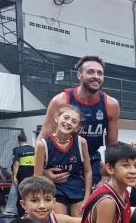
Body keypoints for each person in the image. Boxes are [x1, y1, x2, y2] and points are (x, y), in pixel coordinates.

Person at [39, 55, 120, 188]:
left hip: (92, 163)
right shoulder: (61, 101)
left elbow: (112, 147)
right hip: (62, 165)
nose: (96, 76)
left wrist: (106, 176)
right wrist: (42, 172)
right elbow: (42, 140)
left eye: (100, 73)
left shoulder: (111, 105)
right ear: (79, 75)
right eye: (90, 72)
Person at [34, 105, 92, 219]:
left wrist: (87, 198)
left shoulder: (81, 142)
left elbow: (88, 171)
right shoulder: (43, 144)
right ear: (57, 118)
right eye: (66, 118)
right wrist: (41, 200)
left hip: (77, 188)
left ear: (77, 127)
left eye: (74, 121)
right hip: (56, 189)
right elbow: (37, 176)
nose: (68, 122)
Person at [3, 133, 36, 217]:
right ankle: (30, 210)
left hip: (22, 174)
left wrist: (14, 176)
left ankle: (20, 213)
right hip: (32, 173)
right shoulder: (33, 149)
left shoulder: (17, 150)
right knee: (31, 192)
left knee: (20, 193)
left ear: (18, 141)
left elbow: (16, 164)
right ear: (26, 139)